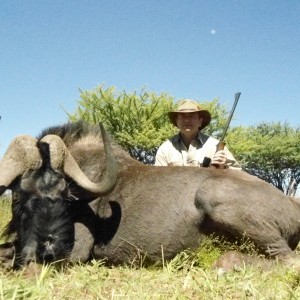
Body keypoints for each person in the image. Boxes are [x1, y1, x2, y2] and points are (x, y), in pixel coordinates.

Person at [154, 99, 241, 169]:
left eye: (192, 116)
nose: (187, 120)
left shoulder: (215, 146)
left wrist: (224, 167)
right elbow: (158, 179)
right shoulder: (165, 149)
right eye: (183, 116)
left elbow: (238, 173)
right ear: (176, 121)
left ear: (200, 121)